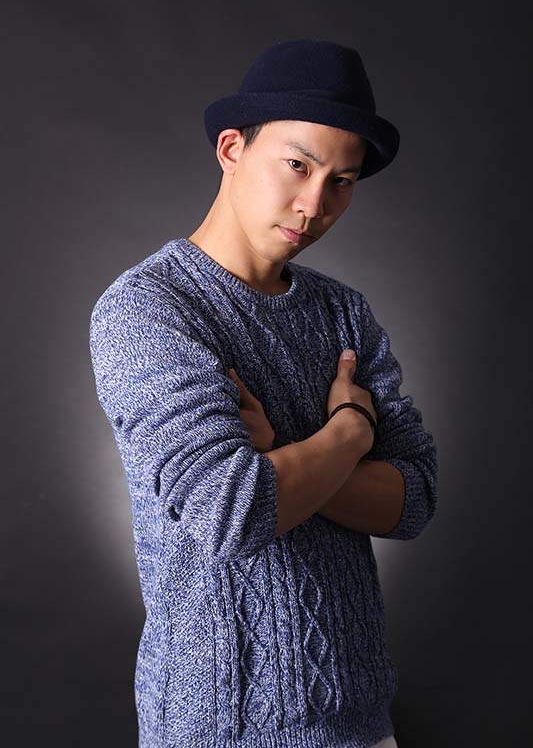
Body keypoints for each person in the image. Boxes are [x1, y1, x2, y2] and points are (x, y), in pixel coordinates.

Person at [89, 38, 438, 748]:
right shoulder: (149, 309)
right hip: (223, 725)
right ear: (231, 149)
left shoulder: (344, 313)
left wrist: (279, 451)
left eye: (341, 181)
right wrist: (348, 433)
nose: (314, 204)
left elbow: (413, 501)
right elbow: (232, 512)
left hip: (362, 720)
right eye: (297, 165)